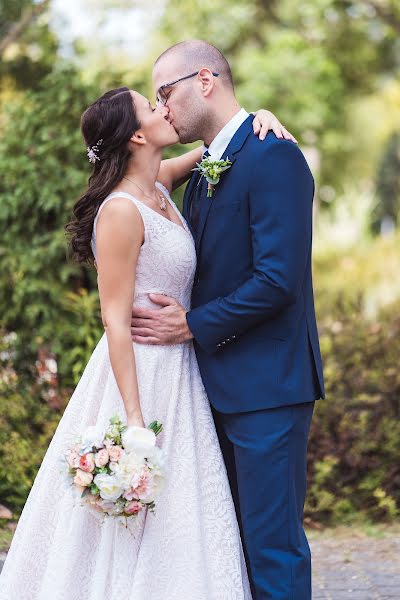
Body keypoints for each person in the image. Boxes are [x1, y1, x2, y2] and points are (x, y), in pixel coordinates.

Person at [0, 83, 292, 599]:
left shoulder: (158, 182)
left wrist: (260, 117)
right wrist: (133, 419)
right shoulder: (119, 212)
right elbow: (114, 319)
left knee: (185, 511)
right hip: (140, 373)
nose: (165, 109)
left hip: (184, 369)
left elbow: (220, 143)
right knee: (139, 516)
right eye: (152, 106)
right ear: (138, 133)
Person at [130, 40, 325, 600]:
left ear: (206, 80)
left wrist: (190, 324)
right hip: (209, 390)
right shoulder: (214, 161)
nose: (162, 109)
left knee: (271, 549)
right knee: (227, 551)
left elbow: (277, 281)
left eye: (166, 93)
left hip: (267, 388)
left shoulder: (275, 156)